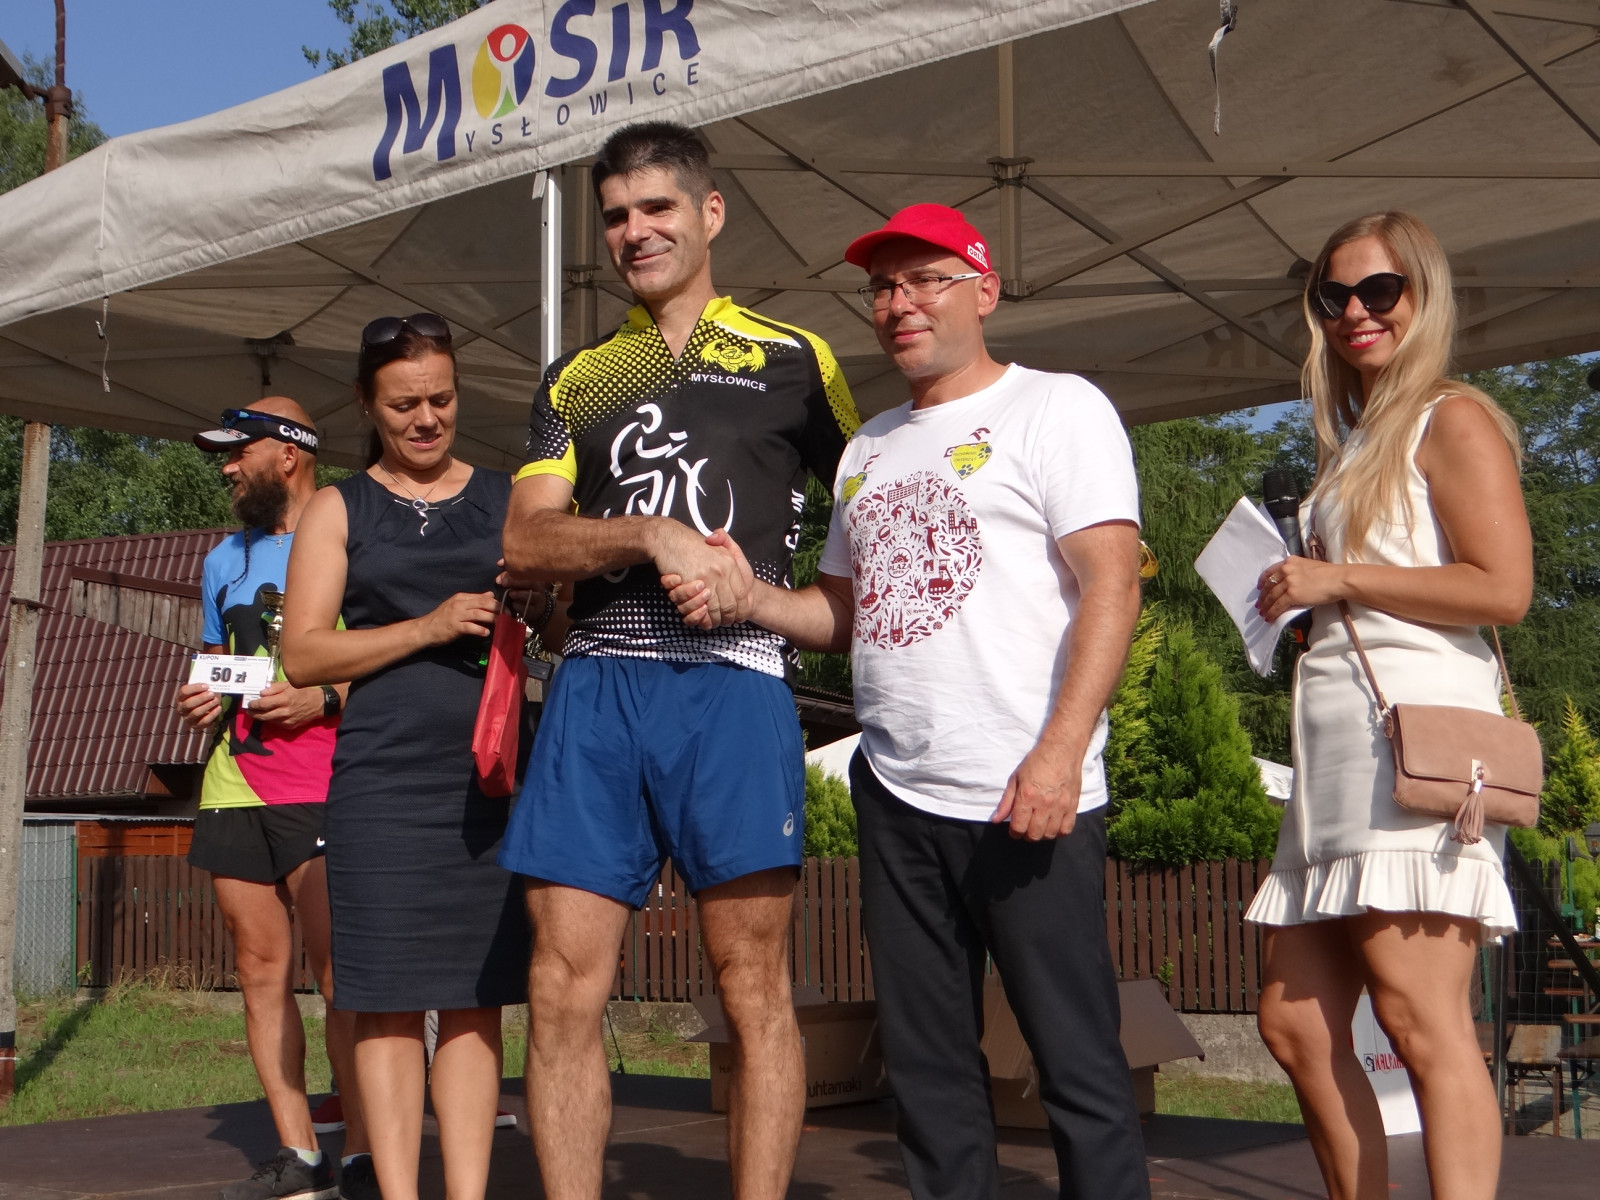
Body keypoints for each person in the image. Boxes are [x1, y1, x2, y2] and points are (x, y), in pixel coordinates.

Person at [667, 203, 1151, 1200]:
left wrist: (1061, 752)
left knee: (1075, 1063)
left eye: (927, 279)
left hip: (1025, 790)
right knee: (927, 1075)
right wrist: (751, 597)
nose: (900, 303)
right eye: (884, 287)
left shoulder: (1056, 407)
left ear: (985, 289)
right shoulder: (869, 448)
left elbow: (1112, 585)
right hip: (897, 792)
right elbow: (847, 613)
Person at [495, 120, 859, 1200]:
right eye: (615, 216)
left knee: (753, 988)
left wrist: (779, 604)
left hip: (736, 684)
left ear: (711, 213)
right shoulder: (578, 378)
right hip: (598, 687)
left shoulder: (797, 359)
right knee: (560, 989)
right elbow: (525, 540)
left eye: (656, 208)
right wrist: (649, 534)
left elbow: (872, 519)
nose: (635, 232)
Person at [1247, 212, 1531, 1200]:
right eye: (1334, 295)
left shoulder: (1450, 418)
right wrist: (1309, 605)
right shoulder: (1359, 438)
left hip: (1413, 753)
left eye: (1380, 290)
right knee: (1295, 1022)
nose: (1355, 312)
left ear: (1423, 294)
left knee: (1419, 1018)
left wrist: (1339, 580)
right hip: (1337, 755)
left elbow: (1503, 589)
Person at [279, 314, 534, 1200]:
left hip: (487, 778)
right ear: (365, 404)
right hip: (381, 783)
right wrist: (427, 627)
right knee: (383, 999)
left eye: (442, 399)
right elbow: (303, 654)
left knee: (474, 999)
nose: (427, 419)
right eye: (403, 405)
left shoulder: (509, 496)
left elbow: (560, 614)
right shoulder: (338, 507)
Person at [175, 399, 369, 1200]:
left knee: (340, 975)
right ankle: (300, 1152)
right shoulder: (223, 558)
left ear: (288, 454)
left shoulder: (358, 532)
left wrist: (323, 699)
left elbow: (393, 660)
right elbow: (223, 663)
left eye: (238, 452)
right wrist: (203, 692)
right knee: (258, 968)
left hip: (326, 780)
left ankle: (365, 1150)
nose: (226, 467)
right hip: (234, 780)